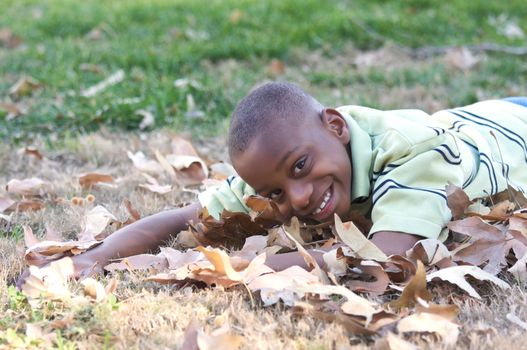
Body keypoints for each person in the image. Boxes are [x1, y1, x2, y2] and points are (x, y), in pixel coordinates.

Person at [17, 82, 527, 285]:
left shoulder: (415, 155)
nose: (299, 198)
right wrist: (93, 258)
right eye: (277, 192)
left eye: (300, 168)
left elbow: (383, 259)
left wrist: (205, 266)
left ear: (335, 127)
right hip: (476, 117)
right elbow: (185, 217)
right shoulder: (280, 161)